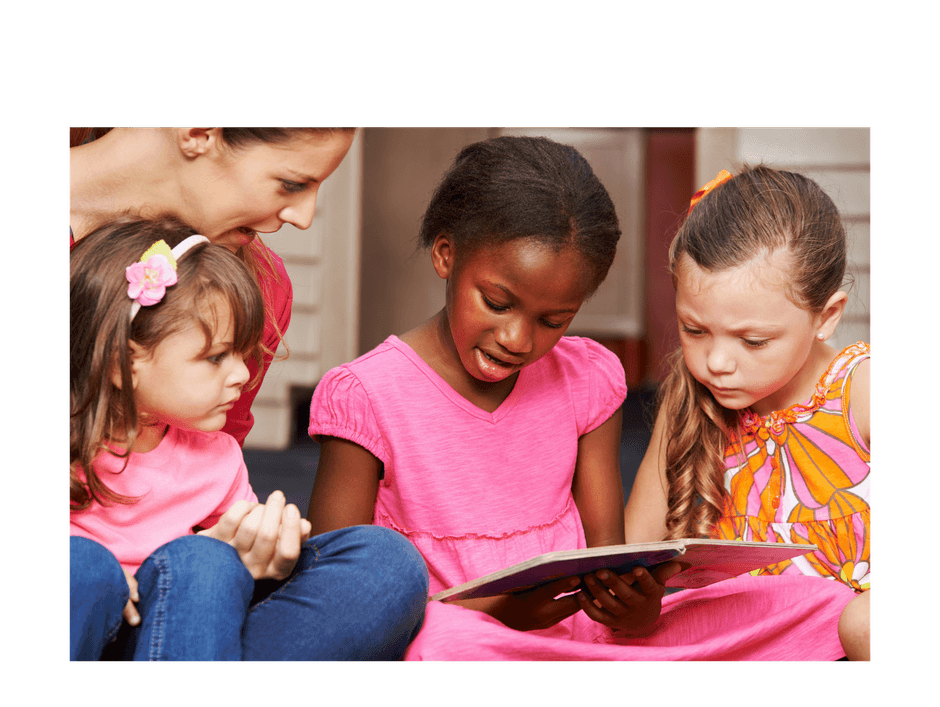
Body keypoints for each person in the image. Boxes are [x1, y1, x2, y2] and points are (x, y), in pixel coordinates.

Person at [306, 137, 857, 661]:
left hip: (590, 639)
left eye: (554, 321)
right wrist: (498, 613)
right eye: (497, 303)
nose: (519, 340)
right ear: (445, 255)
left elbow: (611, 559)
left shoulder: (588, 379)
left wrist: (634, 606)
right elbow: (347, 598)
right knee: (442, 642)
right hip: (463, 636)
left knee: (820, 605)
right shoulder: (366, 395)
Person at [69, 217, 428, 661]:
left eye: (242, 354)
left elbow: (220, 580)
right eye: (215, 357)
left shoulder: (217, 456)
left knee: (387, 563)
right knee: (86, 568)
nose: (242, 375)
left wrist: (263, 554)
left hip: (188, 631)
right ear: (121, 363)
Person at [623, 166, 871, 661]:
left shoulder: (859, 390)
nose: (716, 362)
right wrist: (632, 601)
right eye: (694, 330)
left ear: (826, 316)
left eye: (753, 341)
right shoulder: (687, 402)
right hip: (717, 642)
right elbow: (631, 552)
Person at [68, 126, 356, 445]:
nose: (304, 217)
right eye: (292, 184)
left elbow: (211, 468)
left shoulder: (255, 287)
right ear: (199, 134)